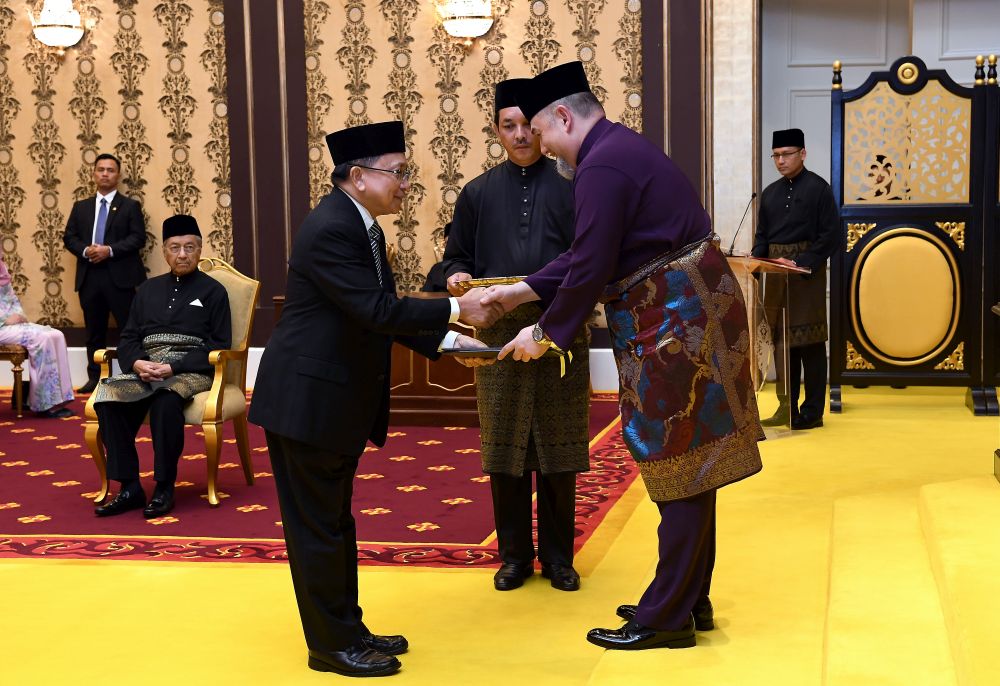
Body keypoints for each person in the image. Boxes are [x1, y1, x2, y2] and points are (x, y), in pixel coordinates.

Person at [482, 61, 764, 651]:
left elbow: (589, 265)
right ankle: (687, 595)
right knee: (694, 464)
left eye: (542, 131)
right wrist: (517, 290)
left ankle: (667, 618)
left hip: (676, 322)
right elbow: (594, 253)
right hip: (686, 312)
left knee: (680, 466)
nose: (541, 145)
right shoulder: (614, 150)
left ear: (563, 116)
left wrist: (545, 332)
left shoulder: (600, 165)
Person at [248, 121, 500, 679]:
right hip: (306, 402)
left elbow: (376, 313)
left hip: (329, 400)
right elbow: (375, 311)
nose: (405, 184)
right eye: (399, 172)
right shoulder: (333, 228)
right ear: (358, 177)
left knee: (335, 522)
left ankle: (347, 627)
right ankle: (330, 647)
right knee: (318, 529)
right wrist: (457, 311)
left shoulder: (359, 225)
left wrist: (452, 341)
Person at [441, 78, 589, 593]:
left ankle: (559, 558)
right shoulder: (477, 193)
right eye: (510, 126)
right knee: (504, 451)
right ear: (497, 131)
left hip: (557, 328)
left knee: (557, 450)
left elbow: (589, 262)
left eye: (528, 124)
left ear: (543, 126)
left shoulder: (573, 188)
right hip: (497, 336)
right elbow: (454, 257)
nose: (521, 134)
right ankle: (513, 558)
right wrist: (455, 276)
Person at [91, 215, 230, 519]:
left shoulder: (214, 292)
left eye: (190, 248)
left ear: (200, 249)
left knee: (167, 401)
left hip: (189, 370)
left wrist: (173, 367)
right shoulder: (147, 291)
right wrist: (137, 362)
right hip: (146, 366)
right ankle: (129, 486)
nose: (183, 254)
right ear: (165, 252)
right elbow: (128, 338)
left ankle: (165, 486)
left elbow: (220, 344)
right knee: (108, 398)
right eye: (175, 248)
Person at [752, 128, 838, 430]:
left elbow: (831, 237)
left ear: (802, 154)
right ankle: (785, 407)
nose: (780, 160)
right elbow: (762, 236)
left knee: (810, 343)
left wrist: (800, 262)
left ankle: (812, 412)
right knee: (781, 344)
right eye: (775, 155)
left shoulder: (819, 189)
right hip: (775, 277)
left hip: (805, 277)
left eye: (786, 154)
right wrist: (755, 262)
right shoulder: (770, 193)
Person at [63, 153, 147, 394]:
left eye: (110, 170)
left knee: (128, 329)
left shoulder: (130, 206)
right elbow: (69, 237)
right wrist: (86, 251)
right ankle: (95, 378)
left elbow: (138, 238)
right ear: (94, 173)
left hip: (119, 278)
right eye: (101, 169)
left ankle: (132, 375)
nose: (105, 173)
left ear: (118, 175)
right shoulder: (81, 207)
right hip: (90, 277)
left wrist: (109, 250)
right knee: (94, 332)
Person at [0, 258, 75, 417]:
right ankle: (44, 402)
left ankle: (60, 399)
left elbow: (12, 302)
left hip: (9, 325)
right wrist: (4, 320)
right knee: (41, 339)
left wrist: (18, 316)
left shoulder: (2, 270)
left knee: (56, 335)